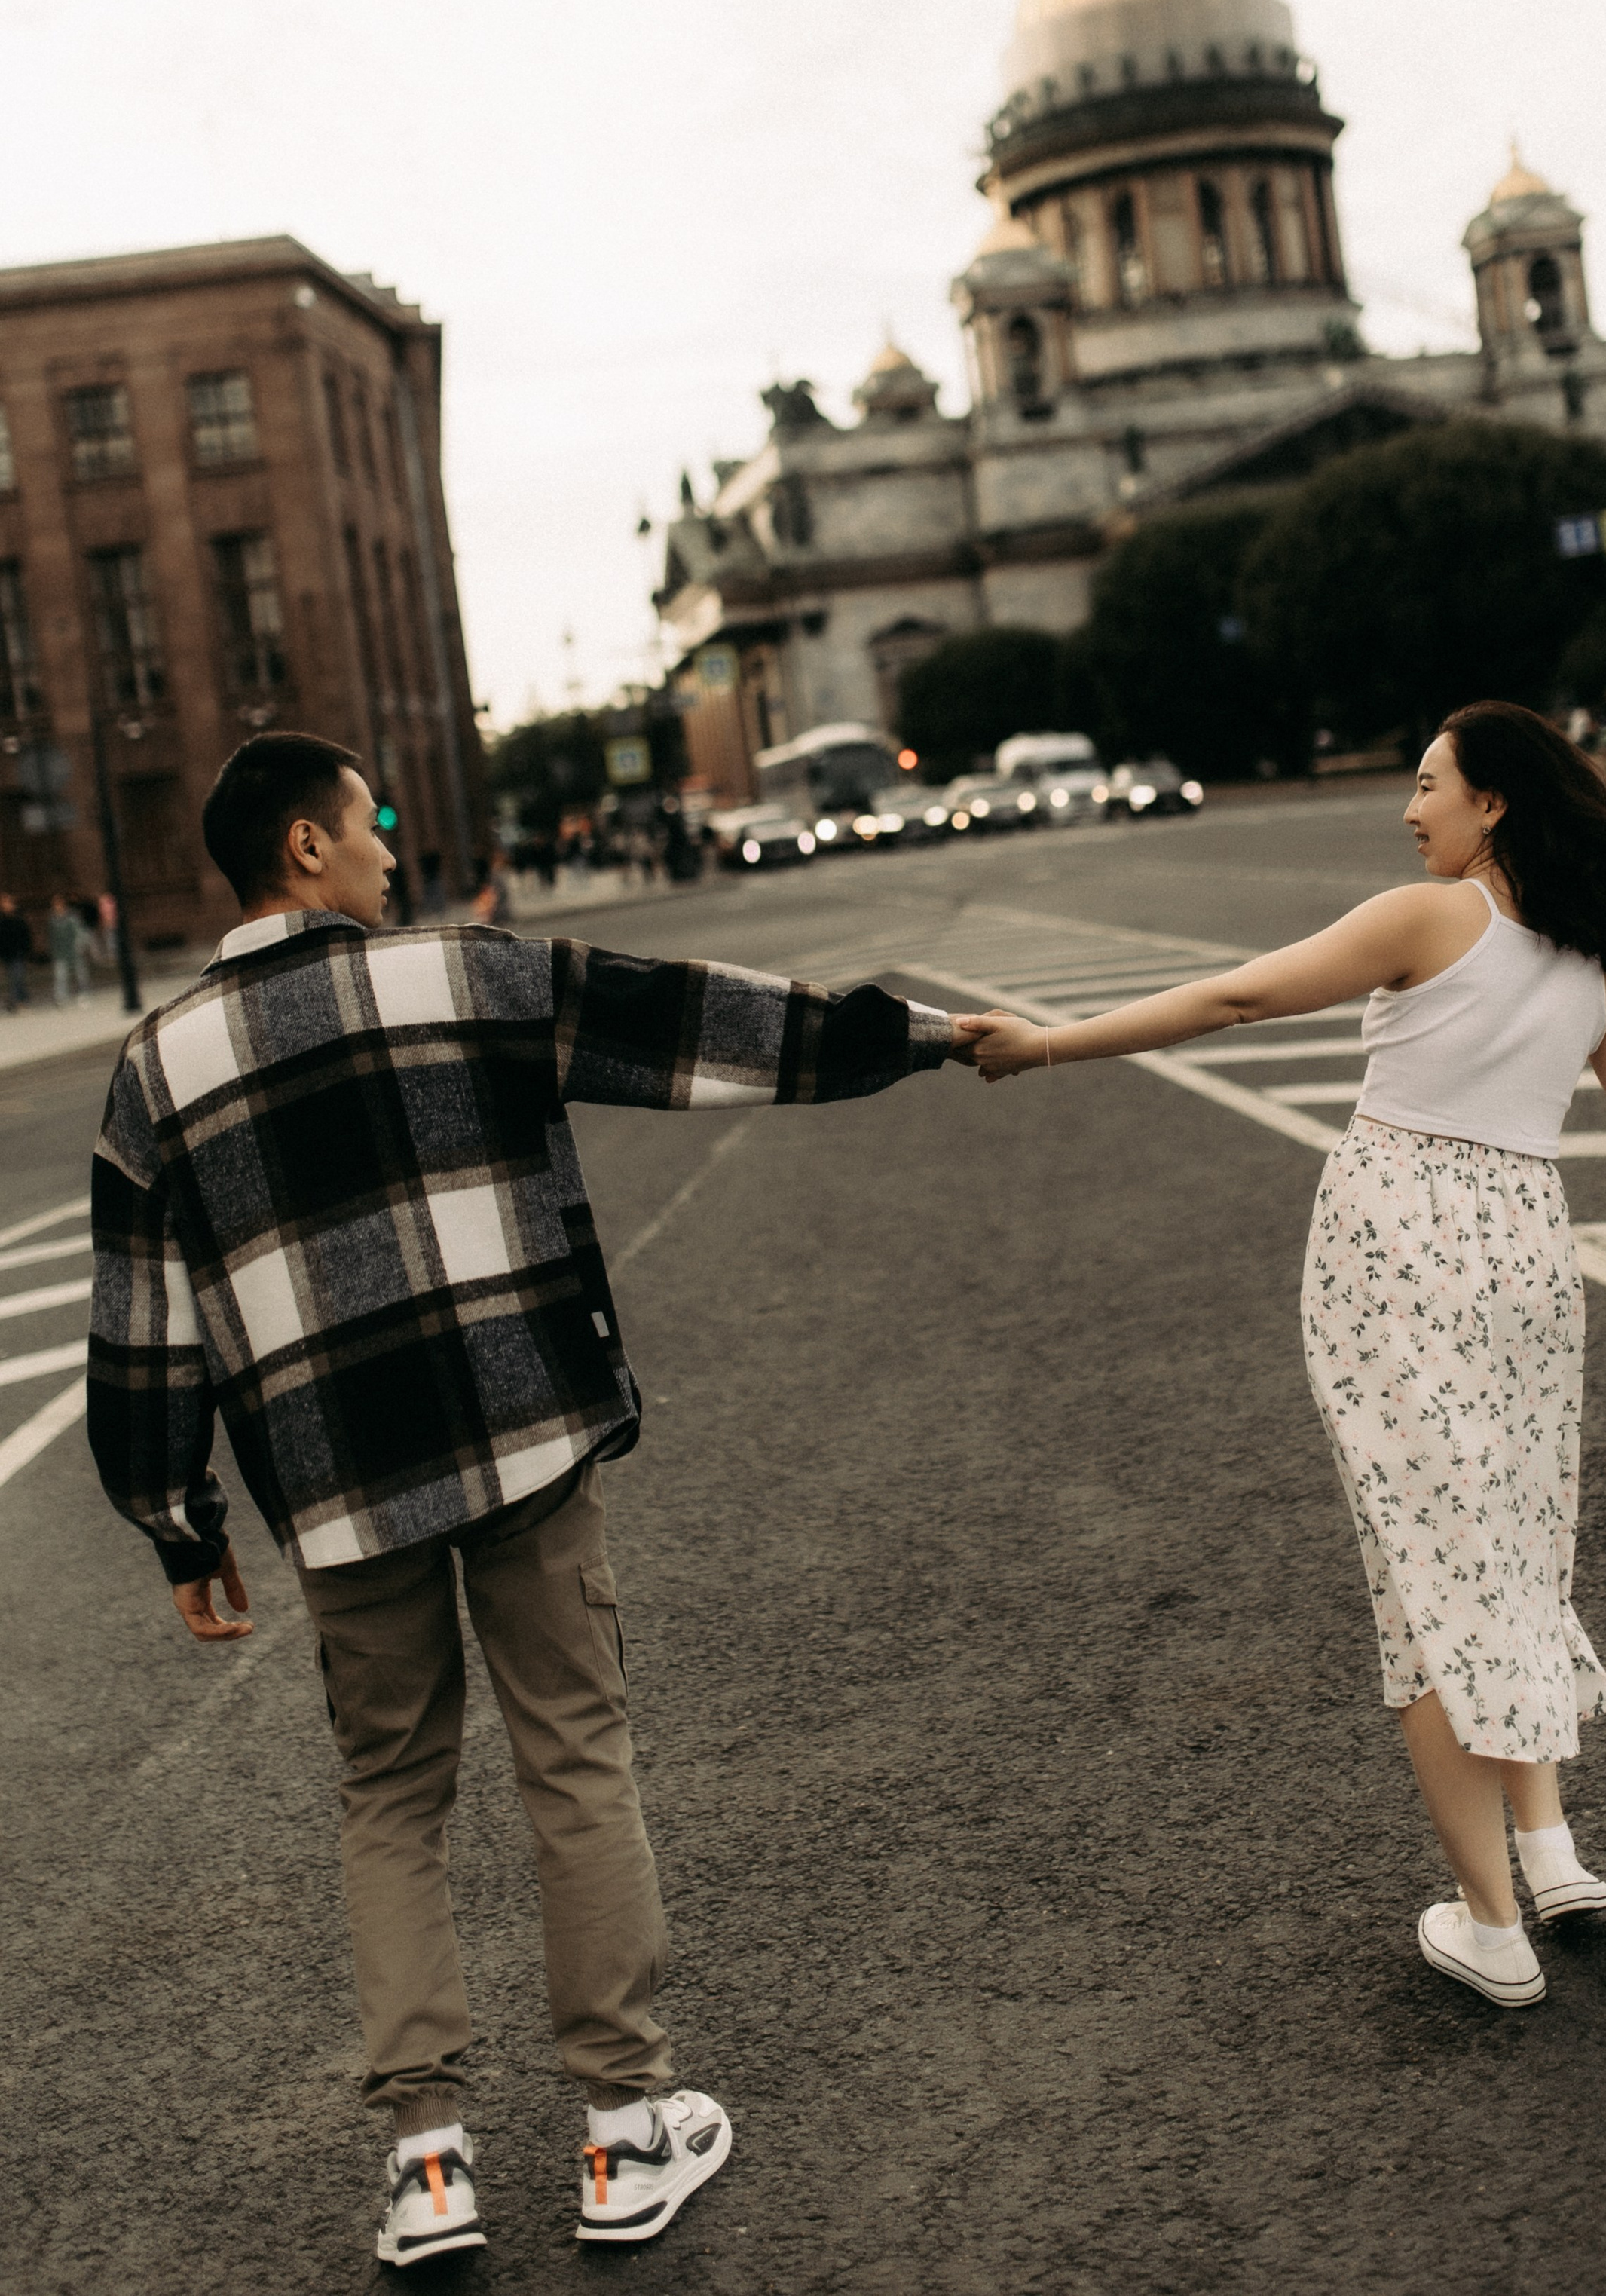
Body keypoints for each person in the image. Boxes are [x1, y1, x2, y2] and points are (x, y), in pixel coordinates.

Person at [87, 730, 973, 2268]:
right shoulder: (460, 977)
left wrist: (179, 1521)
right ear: (303, 850)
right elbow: (695, 1026)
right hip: (520, 1432)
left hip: (337, 1488)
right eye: (364, 817)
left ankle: (426, 2169)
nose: (385, 838)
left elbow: (140, 1324)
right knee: (573, 1759)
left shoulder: (151, 1069)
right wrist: (925, 1035)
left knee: (389, 1796)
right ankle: (624, 2136)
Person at [960, 699, 1606, 2010]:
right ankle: (1551, 1848)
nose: (1411, 810)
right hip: (1526, 1249)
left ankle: (1489, 1922)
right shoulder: (1598, 957)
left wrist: (1048, 1042)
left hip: (1397, 1239)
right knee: (1511, 1538)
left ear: (1493, 802)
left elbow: (1239, 994)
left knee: (1426, 1565)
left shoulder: (1431, 918)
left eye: (1428, 784)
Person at [47, 895, 90, 1006]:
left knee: (81, 974)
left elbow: (79, 932)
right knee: (61, 976)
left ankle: (83, 994)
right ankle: (61, 997)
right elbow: (52, 937)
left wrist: (80, 945)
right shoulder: (52, 920)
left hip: (74, 951)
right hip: (60, 953)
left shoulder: (72, 918)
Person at [0, 892, 31, 1010]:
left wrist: (26, 950)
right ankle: (22, 1000)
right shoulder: (2, 920)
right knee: (14, 978)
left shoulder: (19, 917)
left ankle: (18, 1001)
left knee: (18, 977)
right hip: (7, 954)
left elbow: (25, 935)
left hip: (18, 953)